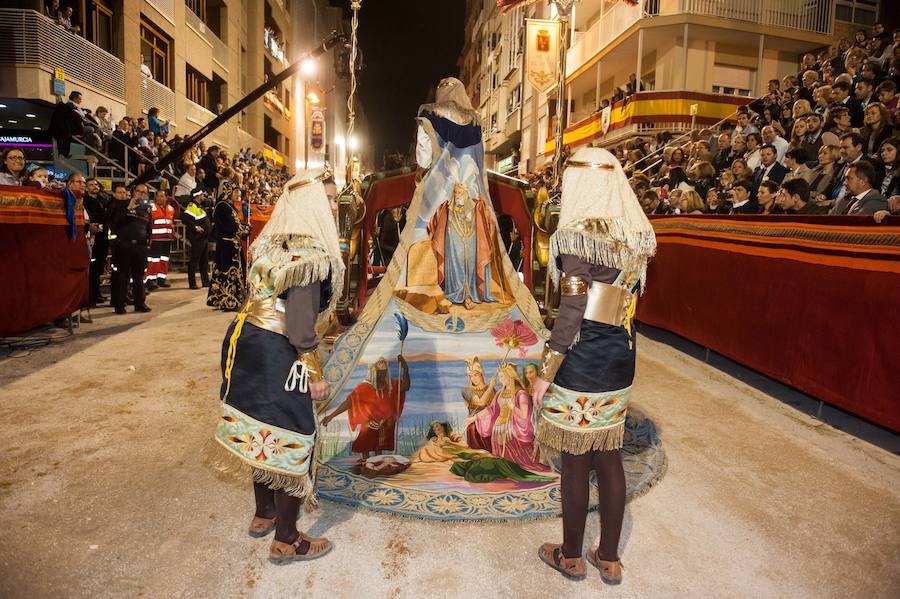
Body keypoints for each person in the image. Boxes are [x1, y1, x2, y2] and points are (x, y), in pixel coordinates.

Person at [532, 147, 656, 584]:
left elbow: (573, 306)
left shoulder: (577, 235)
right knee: (609, 455)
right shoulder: (636, 231)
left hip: (583, 357)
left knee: (575, 459)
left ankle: (569, 555)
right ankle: (609, 557)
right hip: (620, 355)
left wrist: (546, 371)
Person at [213, 167, 344, 564]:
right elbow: (301, 320)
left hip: (243, 342)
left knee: (260, 429)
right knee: (292, 436)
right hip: (277, 352)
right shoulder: (310, 253)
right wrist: (313, 370)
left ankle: (264, 513)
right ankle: (287, 539)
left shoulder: (269, 243)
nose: (335, 207)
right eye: (330, 200)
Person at [321, 356, 410, 458]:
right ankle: (365, 461)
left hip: (386, 423)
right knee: (366, 444)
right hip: (370, 423)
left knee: (379, 448)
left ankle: (377, 461)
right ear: (374, 372)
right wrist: (330, 416)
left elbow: (405, 386)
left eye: (384, 371)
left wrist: (405, 368)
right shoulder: (364, 387)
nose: (382, 374)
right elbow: (349, 402)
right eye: (379, 372)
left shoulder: (391, 385)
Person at [473, 363, 549, 474]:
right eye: (499, 377)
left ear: (510, 376)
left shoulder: (520, 394)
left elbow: (524, 415)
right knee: (501, 461)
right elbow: (491, 409)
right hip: (498, 429)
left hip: (511, 430)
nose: (500, 380)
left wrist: (513, 407)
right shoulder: (500, 393)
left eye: (502, 377)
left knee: (515, 462)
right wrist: (474, 417)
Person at [108, 183, 152, 314]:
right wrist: (128, 208)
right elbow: (114, 223)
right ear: (133, 192)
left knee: (139, 276)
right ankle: (120, 305)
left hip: (140, 246)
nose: (141, 194)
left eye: (144, 192)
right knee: (123, 276)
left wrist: (147, 240)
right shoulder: (121, 204)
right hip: (124, 245)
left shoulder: (147, 209)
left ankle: (140, 303)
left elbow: (148, 226)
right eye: (139, 191)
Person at [207, 182, 250, 311]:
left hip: (231, 244)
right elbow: (230, 227)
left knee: (228, 272)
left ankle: (226, 299)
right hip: (227, 245)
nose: (239, 194)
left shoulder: (229, 206)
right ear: (229, 192)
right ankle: (228, 301)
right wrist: (244, 229)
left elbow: (234, 225)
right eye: (236, 192)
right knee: (228, 273)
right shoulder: (223, 206)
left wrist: (244, 228)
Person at [84, 178, 110, 305]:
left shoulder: (103, 200)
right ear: (86, 188)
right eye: (91, 185)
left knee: (99, 268)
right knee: (92, 269)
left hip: (103, 238)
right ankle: (91, 297)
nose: (95, 186)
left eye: (96, 184)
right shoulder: (85, 201)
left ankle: (97, 294)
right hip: (93, 238)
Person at [145, 189, 176, 290]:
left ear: (166, 198)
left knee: (164, 260)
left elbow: (171, 222)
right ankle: (151, 280)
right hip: (155, 239)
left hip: (167, 239)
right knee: (153, 260)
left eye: (162, 196)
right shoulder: (150, 207)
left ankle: (161, 278)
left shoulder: (171, 208)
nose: (160, 198)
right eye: (158, 196)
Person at [461, 357, 493, 451]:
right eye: (471, 376)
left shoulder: (491, 389)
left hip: (490, 422)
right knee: (473, 428)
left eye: (476, 375)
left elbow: (495, 407)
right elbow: (480, 402)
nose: (473, 378)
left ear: (481, 374)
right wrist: (491, 387)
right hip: (475, 424)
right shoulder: (467, 391)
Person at [181, 190, 211, 289]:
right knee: (194, 260)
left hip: (204, 238)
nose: (203, 196)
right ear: (197, 196)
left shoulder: (199, 206)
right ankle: (192, 283)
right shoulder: (192, 206)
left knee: (204, 261)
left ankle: (205, 282)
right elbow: (185, 219)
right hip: (198, 238)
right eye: (202, 194)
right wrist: (195, 228)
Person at [48, 91, 85, 158]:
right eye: (80, 99)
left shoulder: (76, 108)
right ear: (75, 98)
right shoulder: (69, 107)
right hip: (67, 131)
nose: (81, 100)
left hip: (68, 131)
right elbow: (76, 118)